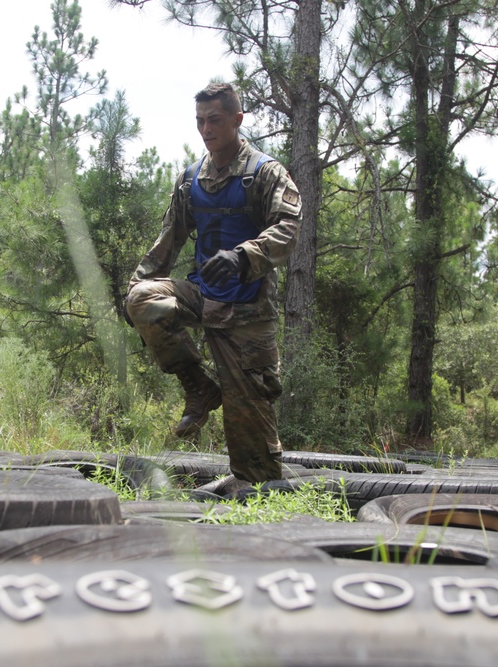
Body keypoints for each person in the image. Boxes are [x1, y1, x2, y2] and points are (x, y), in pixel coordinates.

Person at [124, 82, 302, 485]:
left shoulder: (265, 174)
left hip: (248, 311)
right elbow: (168, 240)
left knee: (254, 445)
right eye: (200, 121)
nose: (206, 129)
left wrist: (244, 255)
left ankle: (258, 495)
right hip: (203, 297)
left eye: (215, 120)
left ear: (237, 120)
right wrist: (136, 289)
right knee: (142, 298)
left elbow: (289, 227)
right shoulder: (190, 181)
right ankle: (199, 388)